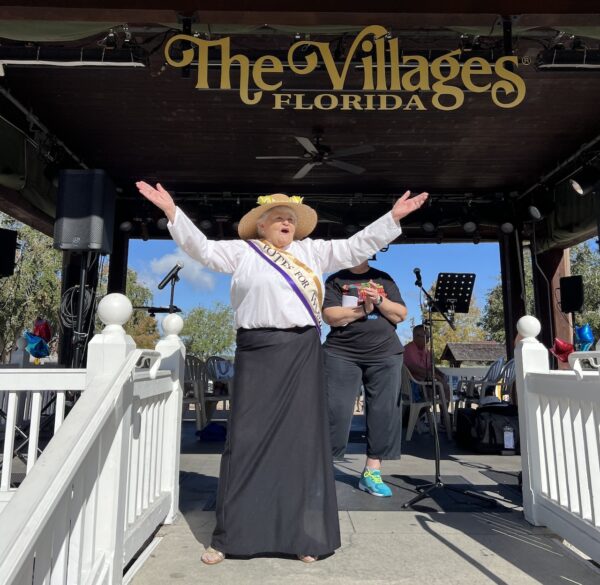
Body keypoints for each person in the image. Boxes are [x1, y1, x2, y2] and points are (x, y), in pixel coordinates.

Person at [136, 181, 428, 564]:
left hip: (302, 351)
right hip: (257, 351)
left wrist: (393, 218)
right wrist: (173, 213)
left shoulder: (314, 252)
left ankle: (304, 536)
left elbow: (356, 245)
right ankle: (230, 538)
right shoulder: (243, 252)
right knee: (245, 439)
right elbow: (202, 250)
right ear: (261, 225)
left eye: (291, 218)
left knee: (301, 443)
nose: (287, 223)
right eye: (279, 218)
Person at [322, 257, 407, 497]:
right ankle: (324, 470)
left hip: (385, 354)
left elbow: (400, 314)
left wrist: (379, 300)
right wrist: (363, 309)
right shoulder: (336, 280)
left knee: (383, 411)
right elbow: (331, 315)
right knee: (334, 410)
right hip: (342, 354)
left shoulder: (384, 279)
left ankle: (372, 472)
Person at [403, 324, 450, 403]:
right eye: (426, 337)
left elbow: (431, 366)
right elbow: (413, 368)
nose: (428, 340)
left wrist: (440, 374)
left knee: (444, 385)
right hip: (413, 384)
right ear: (416, 336)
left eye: (429, 337)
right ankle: (439, 413)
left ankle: (443, 414)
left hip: (425, 382)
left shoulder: (426, 350)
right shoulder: (408, 349)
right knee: (441, 386)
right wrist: (435, 376)